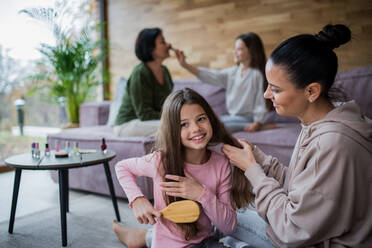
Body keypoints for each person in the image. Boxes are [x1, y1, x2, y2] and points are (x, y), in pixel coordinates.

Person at [222, 24, 372, 247]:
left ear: (311, 91)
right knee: (240, 206)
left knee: (223, 212)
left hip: (310, 238)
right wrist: (259, 159)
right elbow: (301, 188)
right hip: (309, 227)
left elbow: (291, 230)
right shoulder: (321, 122)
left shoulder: (331, 144)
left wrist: (252, 170)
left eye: (276, 89)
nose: (266, 94)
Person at [113, 88, 253, 248]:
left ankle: (142, 237)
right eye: (184, 124)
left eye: (201, 119)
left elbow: (228, 226)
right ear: (172, 130)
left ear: (210, 119)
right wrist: (137, 200)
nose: (195, 129)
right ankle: (143, 237)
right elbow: (122, 167)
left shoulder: (221, 164)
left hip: (207, 242)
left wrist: (201, 193)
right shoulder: (160, 161)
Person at [175, 32, 274, 132]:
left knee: (216, 126)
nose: (235, 52)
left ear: (251, 51)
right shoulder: (232, 73)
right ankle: (256, 126)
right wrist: (185, 65)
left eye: (239, 49)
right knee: (211, 121)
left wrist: (257, 123)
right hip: (233, 117)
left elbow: (260, 102)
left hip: (249, 119)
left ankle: (258, 126)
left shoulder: (256, 75)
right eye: (235, 48)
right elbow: (209, 75)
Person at [114, 27, 173, 137]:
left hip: (148, 122)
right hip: (128, 124)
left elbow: (168, 105)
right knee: (175, 126)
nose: (168, 45)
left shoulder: (165, 71)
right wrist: (173, 116)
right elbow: (144, 114)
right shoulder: (140, 73)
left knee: (182, 125)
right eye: (162, 42)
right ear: (151, 49)